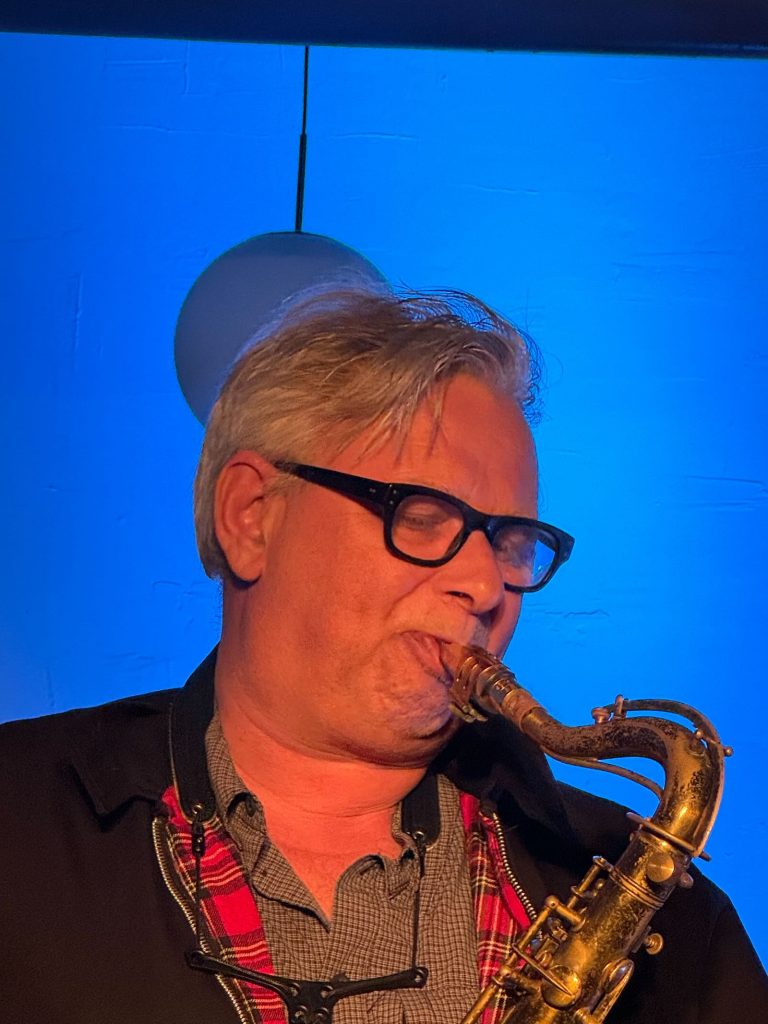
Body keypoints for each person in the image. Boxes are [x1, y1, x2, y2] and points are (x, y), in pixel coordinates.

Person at [1, 288, 765, 1024]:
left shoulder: (674, 926)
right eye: (425, 514)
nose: (484, 585)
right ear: (251, 517)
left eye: (511, 542)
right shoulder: (19, 815)